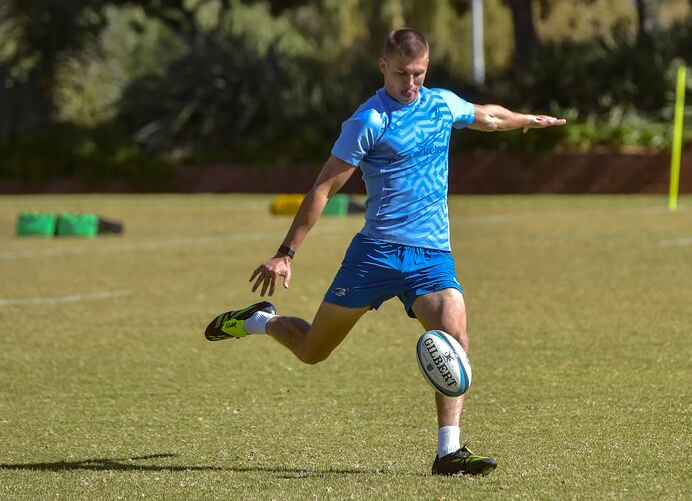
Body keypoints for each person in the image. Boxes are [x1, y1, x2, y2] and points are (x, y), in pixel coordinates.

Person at [204, 28, 566, 476]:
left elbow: (488, 117)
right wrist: (286, 252)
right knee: (313, 351)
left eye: (418, 74)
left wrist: (525, 120)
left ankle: (448, 451)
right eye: (401, 74)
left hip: (431, 256)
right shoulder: (369, 121)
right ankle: (261, 320)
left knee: (456, 339)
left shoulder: (441, 104)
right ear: (383, 67)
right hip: (374, 256)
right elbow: (324, 186)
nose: (410, 83)